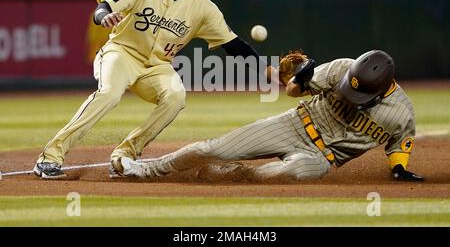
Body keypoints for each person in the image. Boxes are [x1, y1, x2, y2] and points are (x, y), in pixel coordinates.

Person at [33, 0, 273, 179]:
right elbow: (104, 6)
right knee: (109, 94)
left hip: (158, 66)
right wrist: (103, 16)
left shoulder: (204, 8)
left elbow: (234, 45)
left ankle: (125, 154)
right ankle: (49, 157)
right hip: (121, 53)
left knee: (176, 96)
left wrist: (268, 72)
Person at [121, 50, 424, 183]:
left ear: (384, 88)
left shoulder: (401, 112)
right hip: (293, 125)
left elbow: (399, 144)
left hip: (321, 157)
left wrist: (399, 168)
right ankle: (145, 170)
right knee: (211, 149)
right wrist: (297, 78)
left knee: (287, 175)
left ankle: (229, 177)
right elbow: (293, 90)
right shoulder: (341, 68)